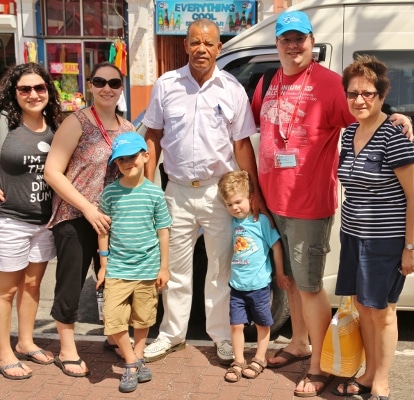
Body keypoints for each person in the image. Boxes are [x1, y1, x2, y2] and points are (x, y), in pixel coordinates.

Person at [250, 10, 414, 397]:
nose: (293, 46)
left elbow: (365, 111)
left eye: (300, 39)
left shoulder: (328, 84)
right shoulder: (265, 83)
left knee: (309, 287)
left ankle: (319, 366)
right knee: (289, 281)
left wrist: (396, 117)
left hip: (309, 203)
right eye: (286, 39)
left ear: (311, 41)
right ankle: (298, 342)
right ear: (276, 44)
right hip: (274, 201)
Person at [142, 18, 266, 365]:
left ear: (219, 48)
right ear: (185, 46)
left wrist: (251, 190)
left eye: (209, 43)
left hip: (218, 193)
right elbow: (152, 136)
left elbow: (242, 145)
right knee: (176, 268)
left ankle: (222, 336)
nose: (202, 49)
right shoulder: (167, 85)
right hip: (176, 190)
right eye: (195, 42)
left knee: (221, 269)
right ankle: (172, 335)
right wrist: (148, 188)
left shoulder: (232, 89)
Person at [333, 55, 414, 400]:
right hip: (354, 237)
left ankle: (382, 381)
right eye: (353, 93)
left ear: (381, 95)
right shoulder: (350, 133)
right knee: (365, 308)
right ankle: (369, 372)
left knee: (383, 312)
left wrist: (410, 247)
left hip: (384, 241)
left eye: (368, 93)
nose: (359, 100)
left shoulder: (394, 135)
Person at [44, 62, 135, 377]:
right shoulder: (77, 122)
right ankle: (67, 347)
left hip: (115, 220)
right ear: (90, 85)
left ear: (122, 87)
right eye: (100, 81)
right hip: (76, 215)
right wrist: (87, 208)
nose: (107, 88)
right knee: (71, 282)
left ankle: (113, 335)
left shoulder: (128, 128)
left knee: (114, 281)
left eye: (114, 82)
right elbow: (52, 172)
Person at [95, 132, 172, 392]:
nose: (127, 163)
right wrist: (104, 264)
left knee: (143, 318)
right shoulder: (109, 194)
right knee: (113, 318)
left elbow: (163, 230)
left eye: (132, 157)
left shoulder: (154, 194)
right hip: (117, 267)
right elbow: (103, 230)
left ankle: (137, 357)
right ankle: (130, 362)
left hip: (148, 268)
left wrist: (164, 267)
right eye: (120, 160)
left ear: (145, 156)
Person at [0, 63, 61, 380]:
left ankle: (25, 341)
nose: (33, 94)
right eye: (25, 89)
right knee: (6, 291)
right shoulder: (4, 124)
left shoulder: (55, 126)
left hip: (44, 221)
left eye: (40, 88)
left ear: (48, 91)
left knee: (33, 285)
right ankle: (4, 351)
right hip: (10, 220)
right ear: (14, 92)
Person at [217, 170, 288, 382]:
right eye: (229, 204)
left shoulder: (261, 221)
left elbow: (275, 246)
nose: (234, 208)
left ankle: (259, 358)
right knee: (236, 325)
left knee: (262, 323)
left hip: (258, 286)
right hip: (238, 286)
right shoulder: (234, 222)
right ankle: (238, 360)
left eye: (238, 202)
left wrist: (280, 273)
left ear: (250, 198)